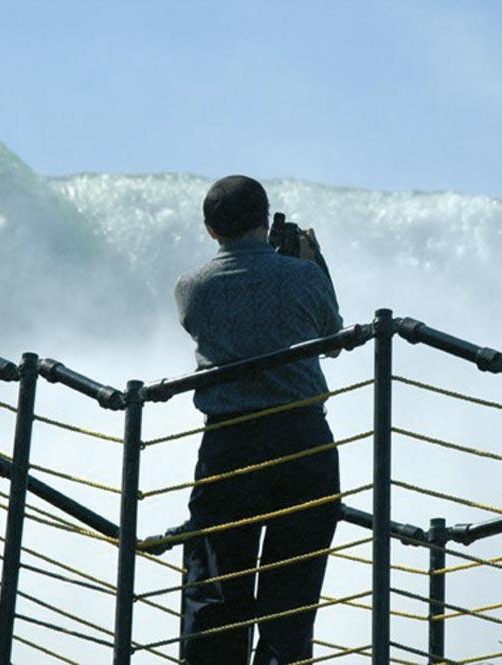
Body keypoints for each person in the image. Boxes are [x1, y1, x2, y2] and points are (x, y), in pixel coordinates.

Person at [173, 175, 343, 665]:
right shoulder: (303, 277)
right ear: (265, 219)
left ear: (210, 230)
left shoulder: (191, 289)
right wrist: (312, 265)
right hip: (303, 442)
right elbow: (330, 336)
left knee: (217, 585)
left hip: (228, 446)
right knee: (294, 588)